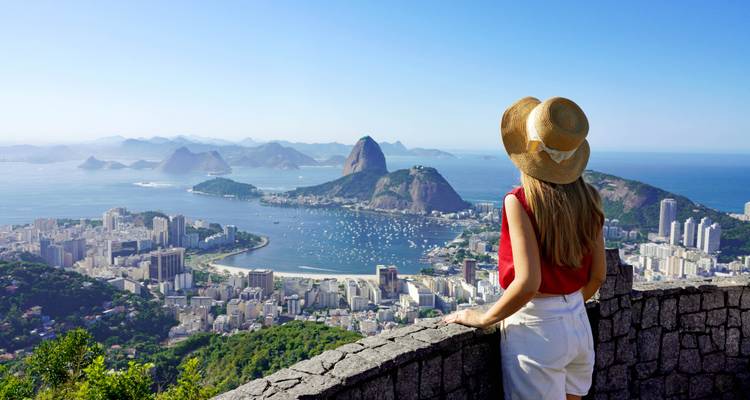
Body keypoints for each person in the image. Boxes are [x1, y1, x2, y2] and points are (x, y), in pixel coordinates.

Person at [444, 96, 606, 400]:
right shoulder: (591, 199)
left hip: (536, 331)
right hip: (578, 324)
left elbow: (529, 282)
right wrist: (566, 306)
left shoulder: (518, 201)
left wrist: (482, 318)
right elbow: (598, 276)